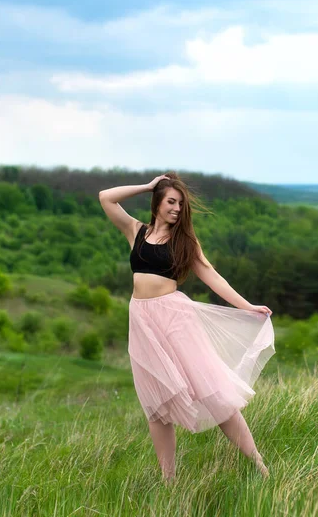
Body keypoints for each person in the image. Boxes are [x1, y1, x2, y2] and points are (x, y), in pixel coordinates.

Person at [99, 171, 275, 483]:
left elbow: (212, 276)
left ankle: (258, 462)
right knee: (156, 404)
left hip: (175, 318)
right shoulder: (135, 231)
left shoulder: (185, 242)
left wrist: (247, 306)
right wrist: (148, 185)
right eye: (171, 201)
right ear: (157, 203)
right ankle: (169, 480)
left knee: (213, 393)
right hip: (141, 321)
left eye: (181, 204)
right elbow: (106, 197)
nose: (177, 208)